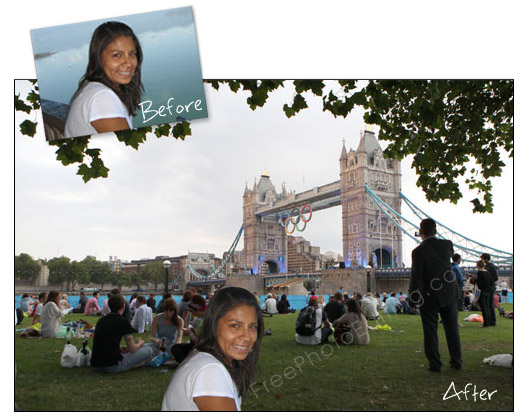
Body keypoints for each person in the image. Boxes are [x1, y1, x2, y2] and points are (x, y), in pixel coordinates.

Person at [162, 286, 264, 411]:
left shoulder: (207, 358)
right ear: (213, 325)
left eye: (252, 327)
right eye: (235, 325)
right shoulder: (210, 372)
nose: (247, 337)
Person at [64, 21, 144, 137]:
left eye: (132, 54)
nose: (129, 63)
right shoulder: (102, 97)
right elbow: (129, 147)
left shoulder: (93, 86)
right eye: (117, 55)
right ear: (98, 57)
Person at [409, 218, 462, 372]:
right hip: (449, 293)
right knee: (452, 330)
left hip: (429, 295)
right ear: (436, 231)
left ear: (420, 233)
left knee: (430, 331)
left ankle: (435, 364)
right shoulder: (447, 245)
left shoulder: (418, 252)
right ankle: (456, 361)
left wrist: (413, 299)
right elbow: (449, 255)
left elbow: (416, 277)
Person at [91, 294, 155, 373]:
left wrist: (119, 348)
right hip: (113, 365)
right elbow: (132, 349)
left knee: (141, 349)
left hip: (96, 364)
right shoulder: (124, 321)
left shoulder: (101, 320)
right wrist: (139, 344)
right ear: (123, 307)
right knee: (148, 350)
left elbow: (104, 342)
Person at [474, 260, 494, 328]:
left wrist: (474, 280)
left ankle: (485, 323)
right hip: (488, 292)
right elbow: (492, 282)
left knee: (483, 308)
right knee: (487, 307)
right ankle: (489, 322)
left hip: (482, 292)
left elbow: (479, 283)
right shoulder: (488, 272)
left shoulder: (479, 272)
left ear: (478, 266)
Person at [480, 253, 498, 326]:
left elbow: (495, 277)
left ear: (486, 258)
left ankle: (493, 321)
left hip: (490, 287)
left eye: (482, 258)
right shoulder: (486, 266)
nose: (481, 260)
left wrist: (487, 279)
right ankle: (489, 320)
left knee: (490, 304)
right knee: (487, 305)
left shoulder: (491, 266)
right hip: (488, 287)